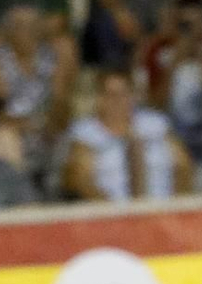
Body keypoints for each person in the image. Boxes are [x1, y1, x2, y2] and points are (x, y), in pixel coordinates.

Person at [62, 66, 191, 201]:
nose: (118, 101)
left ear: (133, 96)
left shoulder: (156, 124)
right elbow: (80, 180)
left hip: (163, 208)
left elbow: (183, 166)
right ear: (99, 98)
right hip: (113, 212)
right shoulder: (86, 133)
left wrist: (175, 206)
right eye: (111, 95)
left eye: (124, 94)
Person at [0, 2, 77, 181]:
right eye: (18, 26)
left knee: (67, 137)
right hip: (14, 126)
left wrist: (48, 124)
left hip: (48, 123)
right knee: (6, 138)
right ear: (8, 30)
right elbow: (1, 109)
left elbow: (60, 99)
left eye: (31, 25)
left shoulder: (52, 56)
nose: (25, 31)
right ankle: (21, 194)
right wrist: (31, 125)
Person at [145, 0, 202, 170]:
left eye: (196, 23)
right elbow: (154, 106)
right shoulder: (159, 53)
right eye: (185, 24)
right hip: (171, 146)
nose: (191, 31)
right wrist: (172, 66)